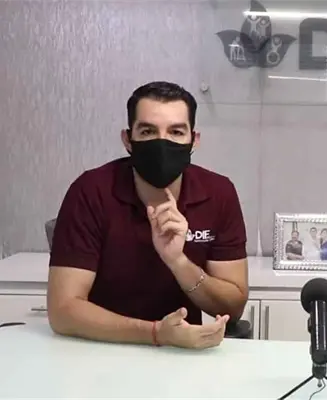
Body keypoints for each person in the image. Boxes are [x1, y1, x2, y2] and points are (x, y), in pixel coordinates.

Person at [47, 82, 249, 349]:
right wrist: (156, 333)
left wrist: (179, 262)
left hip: (183, 351)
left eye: (176, 132)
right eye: (148, 131)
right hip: (99, 347)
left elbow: (232, 307)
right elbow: (63, 311)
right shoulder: (91, 191)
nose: (162, 143)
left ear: (194, 140)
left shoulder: (218, 193)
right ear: (127, 140)